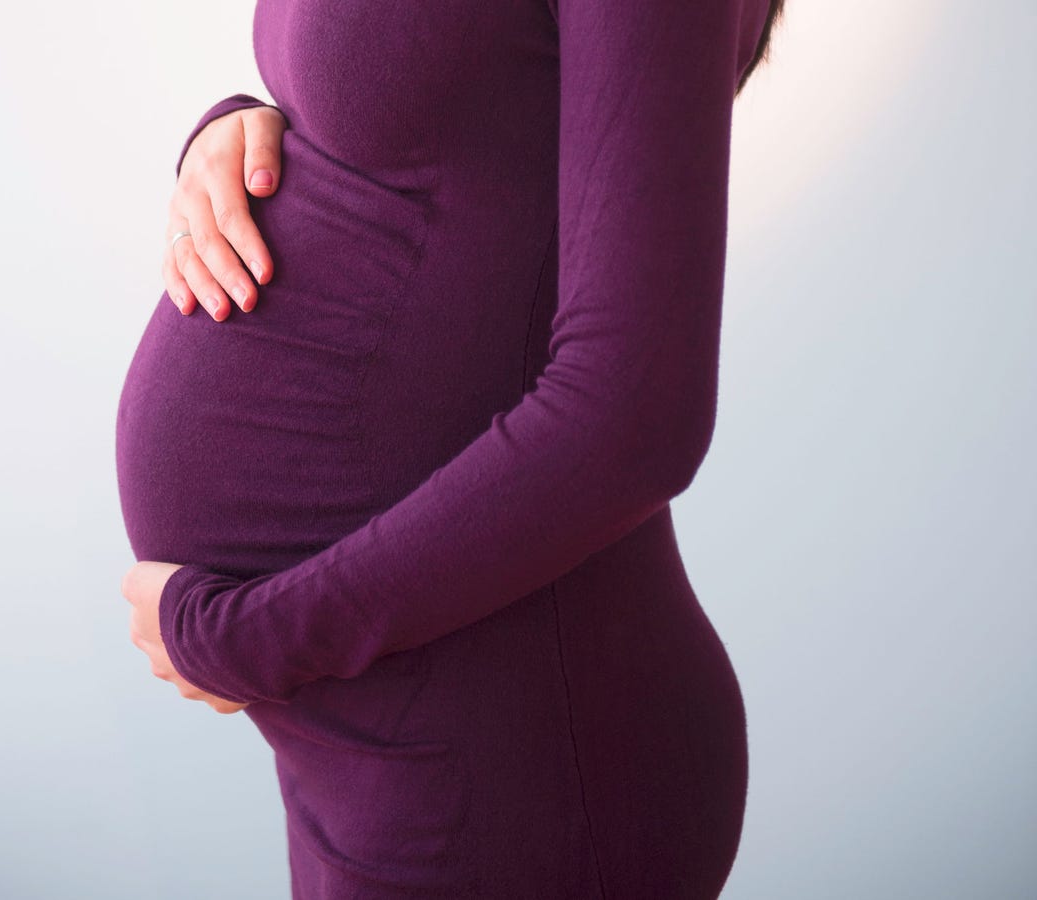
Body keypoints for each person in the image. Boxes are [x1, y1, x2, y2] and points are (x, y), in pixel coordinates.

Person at [117, 0, 788, 896]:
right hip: (372, 740)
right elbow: (453, 121)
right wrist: (242, 132)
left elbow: (637, 417)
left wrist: (249, 640)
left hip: (512, 762)